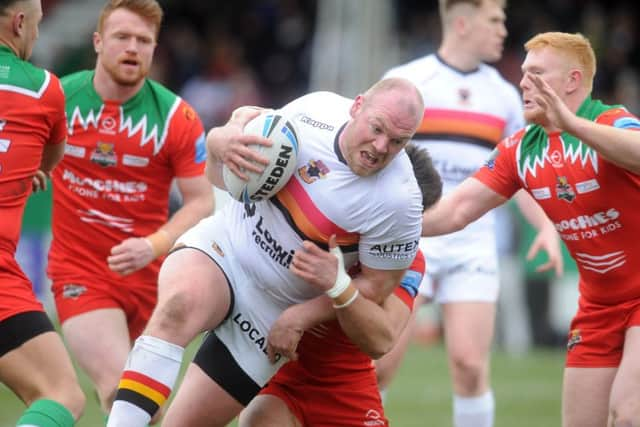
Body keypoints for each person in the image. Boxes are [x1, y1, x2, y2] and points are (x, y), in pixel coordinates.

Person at [106, 77, 425, 427]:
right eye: (377, 128)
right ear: (357, 105)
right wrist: (219, 142)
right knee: (178, 307)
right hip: (226, 247)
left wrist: (302, 314)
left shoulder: (400, 201)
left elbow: (376, 290)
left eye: (398, 141)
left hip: (270, 310)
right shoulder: (313, 110)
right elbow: (224, 174)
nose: (381, 147)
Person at [421, 31, 640, 427]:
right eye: (522, 73)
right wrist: (376, 229)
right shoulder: (521, 148)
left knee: (626, 416)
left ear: (572, 81)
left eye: (536, 73)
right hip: (598, 307)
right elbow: (455, 211)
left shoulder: (609, 121)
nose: (521, 81)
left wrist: (572, 124)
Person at [375, 2, 562, 427]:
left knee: (470, 366)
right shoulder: (407, 82)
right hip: (409, 239)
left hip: (474, 242)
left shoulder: (504, 96)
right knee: (380, 363)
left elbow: (517, 177)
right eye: (494, 20)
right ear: (462, 22)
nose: (503, 30)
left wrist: (546, 225)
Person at [46, 0, 214, 420]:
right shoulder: (58, 99)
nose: (133, 48)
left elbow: (203, 201)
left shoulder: (177, 116)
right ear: (99, 42)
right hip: (80, 272)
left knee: (147, 408)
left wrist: (154, 245)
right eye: (122, 37)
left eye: (144, 40)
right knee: (120, 386)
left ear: (155, 49)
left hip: (151, 279)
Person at [236, 144, 441, 427]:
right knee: (257, 420)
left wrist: (338, 285)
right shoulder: (314, 215)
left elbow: (384, 337)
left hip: (346, 384)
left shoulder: (406, 259)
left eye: (409, 220)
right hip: (275, 368)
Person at [0, 0, 86, 425]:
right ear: (18, 23)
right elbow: (49, 161)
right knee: (62, 395)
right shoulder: (42, 88)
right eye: (36, 25)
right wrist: (27, 170)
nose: (36, 34)